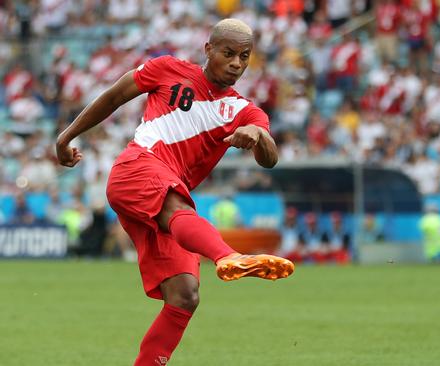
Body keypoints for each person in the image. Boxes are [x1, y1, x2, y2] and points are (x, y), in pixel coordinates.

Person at [55, 19, 295, 366]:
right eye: (229, 53)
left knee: (184, 295)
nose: (237, 64)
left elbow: (269, 157)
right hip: (137, 168)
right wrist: (65, 137)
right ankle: (227, 256)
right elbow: (113, 97)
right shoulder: (166, 69)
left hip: (164, 193)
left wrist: (260, 138)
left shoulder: (244, 110)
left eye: (244, 57)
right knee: (177, 205)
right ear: (208, 49)